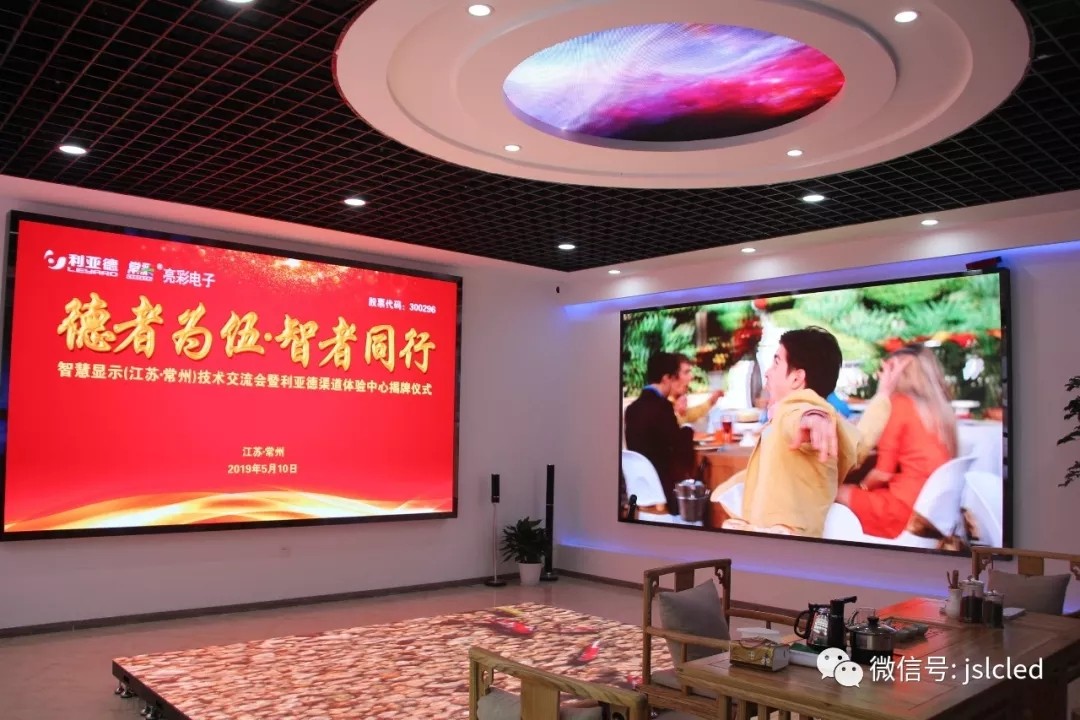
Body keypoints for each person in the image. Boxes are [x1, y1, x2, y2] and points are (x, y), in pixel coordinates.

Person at [722, 327, 891, 538]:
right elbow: (857, 443)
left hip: (783, 545)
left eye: (776, 363)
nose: (767, 372)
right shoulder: (795, 415)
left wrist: (813, 417)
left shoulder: (797, 409)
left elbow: (801, 413)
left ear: (796, 378)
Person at [836, 345, 957, 539]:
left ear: (897, 374)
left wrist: (861, 489)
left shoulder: (899, 405)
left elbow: (882, 474)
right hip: (933, 511)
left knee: (834, 493)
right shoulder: (941, 410)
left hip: (904, 511)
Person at [624, 352, 697, 513]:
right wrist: (688, 429)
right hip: (664, 490)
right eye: (673, 378)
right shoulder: (662, 407)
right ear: (666, 378)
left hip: (640, 491)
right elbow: (678, 447)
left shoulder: (632, 409)